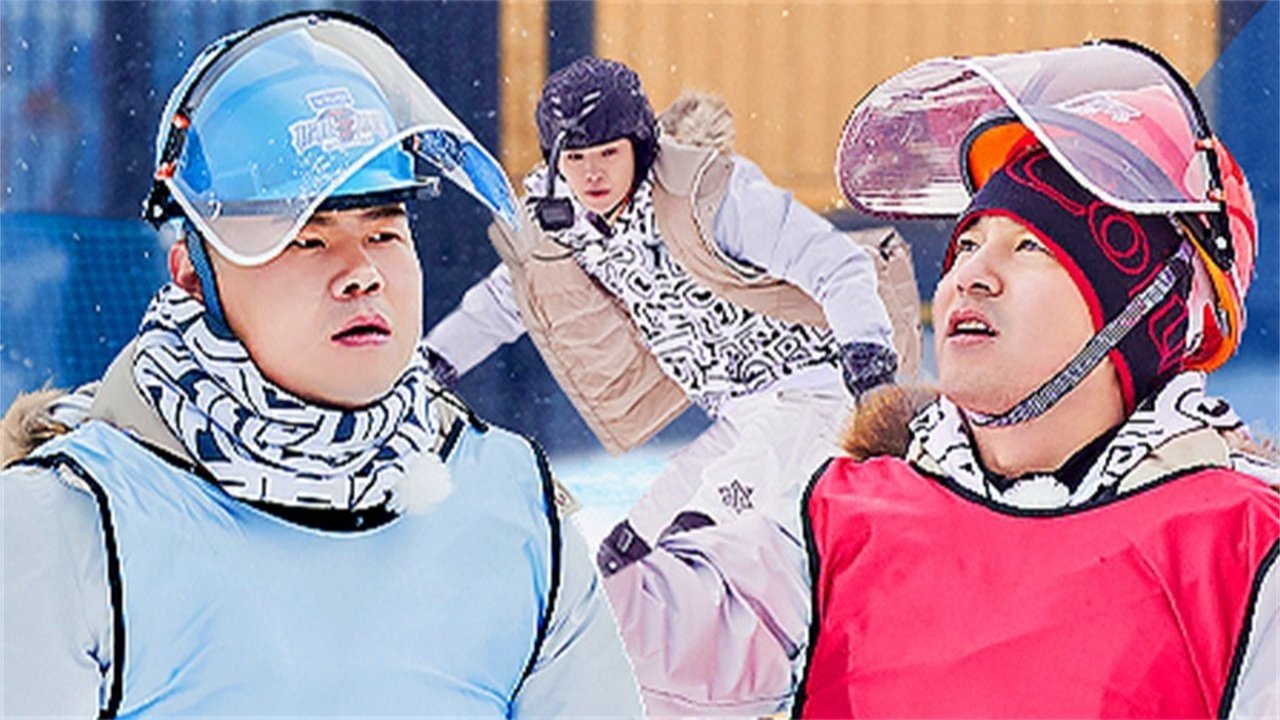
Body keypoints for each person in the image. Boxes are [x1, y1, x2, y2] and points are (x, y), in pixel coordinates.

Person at [0, 12, 641, 717]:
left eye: (384, 232)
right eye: (307, 240)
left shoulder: (514, 506)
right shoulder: (71, 526)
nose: (361, 272)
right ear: (191, 275)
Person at [423, 55, 920, 715]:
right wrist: (431, 365)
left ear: (640, 145)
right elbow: (507, 303)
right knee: (627, 556)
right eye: (575, 159)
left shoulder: (713, 196)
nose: (592, 175)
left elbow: (835, 264)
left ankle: (764, 685)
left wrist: (868, 360)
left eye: (608, 153)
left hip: (812, 387)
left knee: (703, 537)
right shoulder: (564, 224)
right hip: (742, 409)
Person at [798, 41, 1278, 717]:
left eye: (1031, 244)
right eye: (967, 242)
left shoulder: (1246, 550)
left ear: (1145, 307)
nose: (969, 275)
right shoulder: (826, 515)